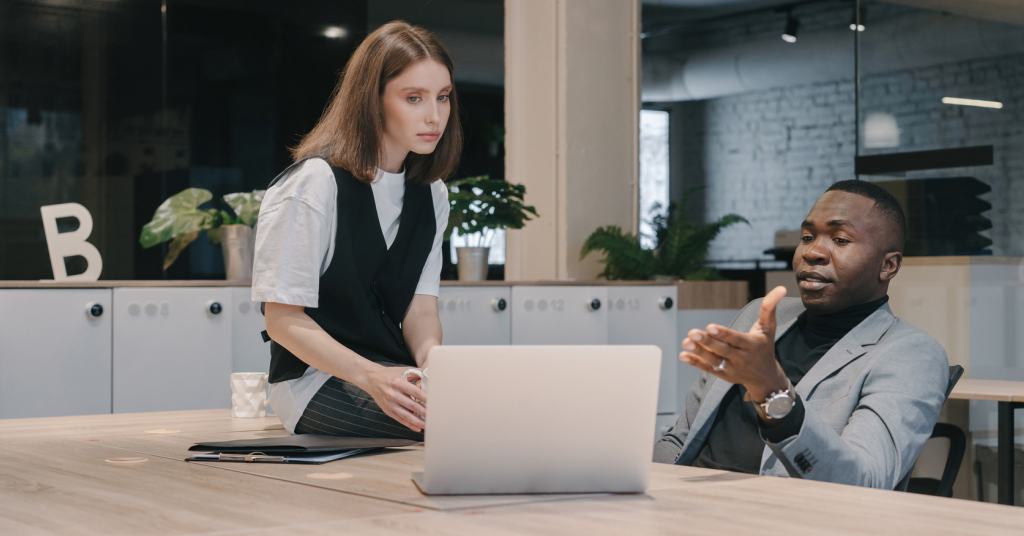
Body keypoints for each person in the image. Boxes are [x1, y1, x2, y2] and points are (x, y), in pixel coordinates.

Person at [654, 180, 949, 489]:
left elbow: (864, 483)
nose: (813, 252)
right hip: (686, 505)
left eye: (840, 239)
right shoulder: (759, 315)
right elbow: (680, 438)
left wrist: (771, 390)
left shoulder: (911, 354)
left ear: (888, 266)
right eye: (807, 237)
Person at [251, 21, 462, 439]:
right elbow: (282, 320)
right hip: (313, 383)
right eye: (414, 98)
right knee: (455, 427)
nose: (434, 116)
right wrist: (372, 377)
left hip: (391, 373)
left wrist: (434, 367)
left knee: (495, 410)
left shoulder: (431, 193)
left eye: (442, 98)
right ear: (373, 100)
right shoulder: (314, 183)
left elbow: (420, 311)